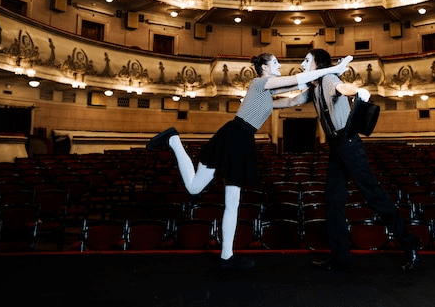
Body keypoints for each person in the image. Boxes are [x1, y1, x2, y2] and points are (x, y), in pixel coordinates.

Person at [146, 52, 352, 270]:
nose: (279, 64)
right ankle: (175, 140)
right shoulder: (260, 82)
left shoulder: (269, 91)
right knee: (194, 187)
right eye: (275, 62)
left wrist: (322, 83)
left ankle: (227, 257)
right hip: (234, 136)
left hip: (243, 140)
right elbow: (297, 80)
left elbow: (297, 93)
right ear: (264, 68)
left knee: (233, 202)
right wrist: (334, 70)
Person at [273, 49, 420, 272]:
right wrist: (261, 104)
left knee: (373, 194)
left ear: (318, 63)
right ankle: (341, 256)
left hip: (348, 143)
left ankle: (410, 244)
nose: (302, 65)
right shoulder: (314, 87)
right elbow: (291, 101)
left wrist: (358, 91)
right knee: (333, 201)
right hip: (336, 146)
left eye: (306, 61)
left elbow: (343, 88)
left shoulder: (329, 79)